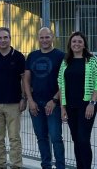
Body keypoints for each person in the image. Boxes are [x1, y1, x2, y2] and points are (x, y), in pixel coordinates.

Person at [57, 31, 97, 169]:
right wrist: (62, 108)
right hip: (70, 105)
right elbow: (60, 83)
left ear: (84, 44)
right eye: (74, 41)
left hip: (87, 104)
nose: (76, 44)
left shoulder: (92, 60)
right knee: (76, 139)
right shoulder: (66, 61)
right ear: (70, 44)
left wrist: (92, 102)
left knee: (83, 139)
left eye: (79, 41)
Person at [0, 27, 26, 169]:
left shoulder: (19, 57)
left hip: (14, 104)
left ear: (10, 38)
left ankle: (16, 165)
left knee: (14, 138)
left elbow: (24, 80)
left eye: (5, 37)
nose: (2, 40)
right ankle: (0, 164)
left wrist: (23, 98)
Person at [24, 27, 65, 169]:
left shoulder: (60, 56)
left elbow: (65, 81)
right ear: (38, 38)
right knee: (41, 138)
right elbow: (26, 80)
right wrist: (30, 100)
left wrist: (54, 100)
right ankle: (46, 165)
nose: (44, 40)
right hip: (36, 104)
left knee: (55, 138)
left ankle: (60, 166)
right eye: (41, 37)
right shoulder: (32, 56)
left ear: (52, 37)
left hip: (53, 105)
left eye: (47, 37)